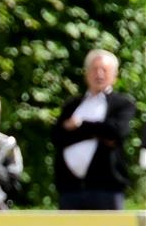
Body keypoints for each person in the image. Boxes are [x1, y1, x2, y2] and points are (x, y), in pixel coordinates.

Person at [51, 49, 137, 210]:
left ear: (114, 75)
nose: (99, 74)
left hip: (107, 189)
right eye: (94, 69)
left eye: (104, 70)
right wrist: (98, 133)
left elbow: (116, 132)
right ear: (86, 73)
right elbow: (57, 136)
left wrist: (80, 126)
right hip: (71, 189)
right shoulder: (72, 104)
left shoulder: (122, 103)